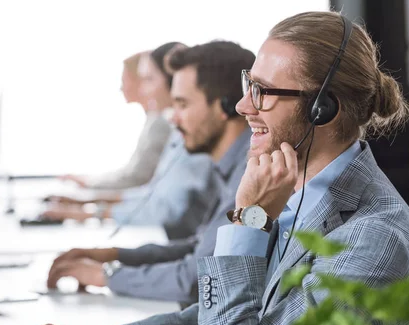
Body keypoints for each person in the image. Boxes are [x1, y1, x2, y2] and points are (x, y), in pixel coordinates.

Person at [1, 11, 409, 325]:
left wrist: (247, 222)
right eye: (247, 83)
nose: (242, 106)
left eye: (263, 92)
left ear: (322, 109)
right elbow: (235, 313)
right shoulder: (300, 194)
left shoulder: (370, 240)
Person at [47, 40, 256, 305]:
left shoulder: (251, 173)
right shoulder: (230, 167)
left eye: (182, 104)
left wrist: (108, 275)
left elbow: (195, 278)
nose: (172, 118)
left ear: (227, 106)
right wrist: (114, 255)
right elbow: (199, 247)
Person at [43, 42, 225, 240]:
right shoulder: (175, 130)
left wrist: (89, 210)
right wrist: (86, 203)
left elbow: (162, 205)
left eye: (148, 80)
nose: (143, 89)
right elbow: (153, 193)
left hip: (177, 241)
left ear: (173, 82)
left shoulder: (192, 136)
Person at [62, 47, 175, 190]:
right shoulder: (154, 120)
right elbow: (131, 172)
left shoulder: (161, 123)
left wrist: (90, 186)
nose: (121, 87)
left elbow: (137, 178)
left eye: (124, 80)